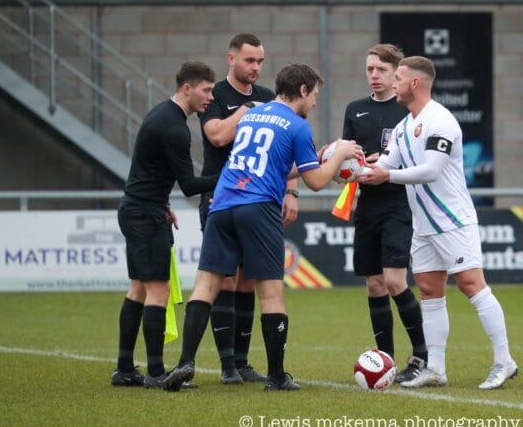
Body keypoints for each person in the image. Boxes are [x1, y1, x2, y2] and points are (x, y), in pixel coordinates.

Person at [163, 63, 363, 392]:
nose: (314, 102)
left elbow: (271, 168)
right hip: (258, 209)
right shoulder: (298, 126)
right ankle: (276, 376)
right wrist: (339, 153)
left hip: (222, 203)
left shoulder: (253, 115)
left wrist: (322, 155)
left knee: (205, 286)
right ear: (302, 90)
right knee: (271, 293)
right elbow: (315, 182)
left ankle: (186, 361)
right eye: (314, 95)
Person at [359, 56, 519, 390]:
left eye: (398, 78)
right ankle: (435, 368)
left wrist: (387, 174)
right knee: (430, 291)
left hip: (453, 221)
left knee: (471, 285)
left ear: (415, 83)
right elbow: (384, 165)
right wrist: (345, 167)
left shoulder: (440, 120)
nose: (393, 83)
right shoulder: (403, 128)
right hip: (423, 226)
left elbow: (430, 170)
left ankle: (504, 361)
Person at [198, 33, 299, 385]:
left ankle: (242, 362)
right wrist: (245, 111)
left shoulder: (268, 98)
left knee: (248, 282)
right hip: (220, 199)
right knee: (225, 278)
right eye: (249, 61)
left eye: (260, 61)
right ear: (231, 59)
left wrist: (291, 191)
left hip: (259, 202)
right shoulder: (216, 97)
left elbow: (285, 148)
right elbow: (217, 137)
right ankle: (226, 364)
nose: (256, 68)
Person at [112, 61, 219, 388]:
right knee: (159, 289)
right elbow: (188, 184)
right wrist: (232, 178)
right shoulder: (174, 127)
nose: (210, 97)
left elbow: (150, 171)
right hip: (144, 215)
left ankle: (125, 369)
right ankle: (156, 374)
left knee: (139, 289)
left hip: (140, 209)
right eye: (206, 90)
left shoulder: (161, 113)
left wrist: (161, 203)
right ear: (187, 88)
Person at [341, 44, 427, 382]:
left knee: (394, 281)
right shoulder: (355, 110)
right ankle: (386, 361)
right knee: (374, 285)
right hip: (367, 207)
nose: (374, 75)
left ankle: (421, 354)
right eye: (369, 69)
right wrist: (345, 165)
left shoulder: (408, 111)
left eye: (381, 70)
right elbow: (345, 161)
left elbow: (423, 162)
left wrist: (387, 163)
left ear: (396, 74)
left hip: (399, 204)